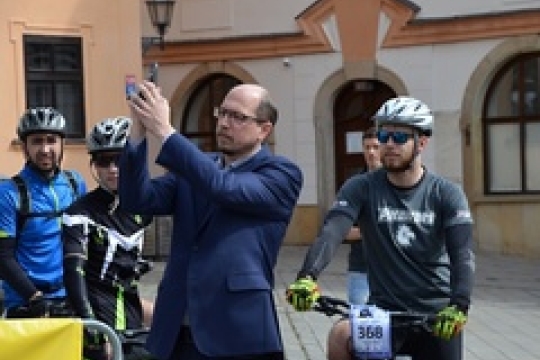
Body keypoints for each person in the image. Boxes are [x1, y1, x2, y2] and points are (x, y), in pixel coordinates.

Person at [118, 82, 303, 360]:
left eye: (238, 117)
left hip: (236, 329)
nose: (225, 123)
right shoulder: (200, 166)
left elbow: (224, 188)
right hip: (177, 326)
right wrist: (138, 132)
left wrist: (166, 132)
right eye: (222, 113)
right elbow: (138, 200)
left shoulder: (281, 173)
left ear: (264, 129)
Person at [286, 96, 474, 360]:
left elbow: (462, 254)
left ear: (421, 142)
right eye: (384, 135)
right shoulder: (361, 187)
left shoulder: (446, 193)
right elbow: (332, 231)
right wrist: (307, 276)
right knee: (340, 337)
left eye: (399, 138)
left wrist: (459, 305)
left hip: (435, 314)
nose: (388, 144)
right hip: (382, 313)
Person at [62, 117, 155, 360]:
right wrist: (91, 327)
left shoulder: (143, 206)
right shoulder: (79, 213)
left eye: (119, 158)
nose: (113, 168)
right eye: (104, 161)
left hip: (133, 320)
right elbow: (74, 272)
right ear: (94, 165)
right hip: (99, 323)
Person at [0, 107, 86, 318]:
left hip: (70, 296)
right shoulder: (9, 192)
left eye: (51, 140)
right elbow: (3, 257)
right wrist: (34, 297)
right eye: (37, 141)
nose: (45, 149)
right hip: (26, 300)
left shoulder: (75, 184)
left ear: (62, 144)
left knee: (100, 350)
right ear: (25, 147)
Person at [344, 127, 381, 305]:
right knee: (360, 324)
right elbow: (343, 231)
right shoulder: (354, 186)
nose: (371, 153)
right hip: (361, 268)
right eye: (367, 147)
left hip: (393, 272)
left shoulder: (399, 184)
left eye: (375, 147)